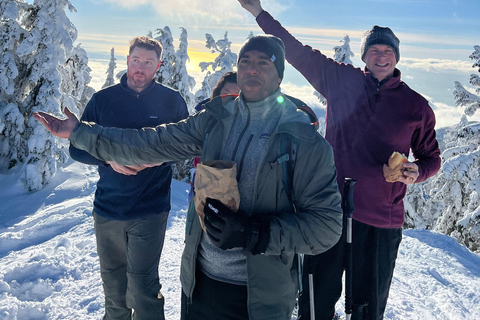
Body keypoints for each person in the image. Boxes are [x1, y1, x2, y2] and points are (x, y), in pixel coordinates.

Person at [33, 34, 344, 320]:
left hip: (260, 299)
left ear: (279, 76)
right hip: (199, 286)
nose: (252, 69)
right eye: (245, 62)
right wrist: (80, 133)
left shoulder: (303, 141)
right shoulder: (214, 120)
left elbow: (327, 227)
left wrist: (255, 233)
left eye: (264, 63)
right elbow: (152, 142)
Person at [238, 1, 442, 319]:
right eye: (374, 50)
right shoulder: (340, 80)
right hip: (327, 213)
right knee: (315, 303)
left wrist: (416, 171)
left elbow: (431, 157)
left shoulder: (416, 106)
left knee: (367, 308)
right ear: (364, 56)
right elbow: (295, 50)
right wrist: (259, 14)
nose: (381, 55)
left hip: (379, 222)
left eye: (388, 50)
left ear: (397, 57)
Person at [68, 36, 188, 320]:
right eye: (136, 61)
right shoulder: (103, 100)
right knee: (114, 287)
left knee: (144, 287)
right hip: (108, 208)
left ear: (158, 66)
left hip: (150, 208)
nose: (140, 68)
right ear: (127, 61)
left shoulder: (171, 102)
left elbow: (187, 145)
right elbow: (76, 147)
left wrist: (159, 157)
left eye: (148, 63)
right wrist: (108, 159)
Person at [188, 71, 240, 202]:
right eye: (226, 92)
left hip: (233, 189)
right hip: (200, 184)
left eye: (237, 95)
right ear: (218, 92)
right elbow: (183, 142)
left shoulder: (246, 123)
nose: (230, 98)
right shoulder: (204, 116)